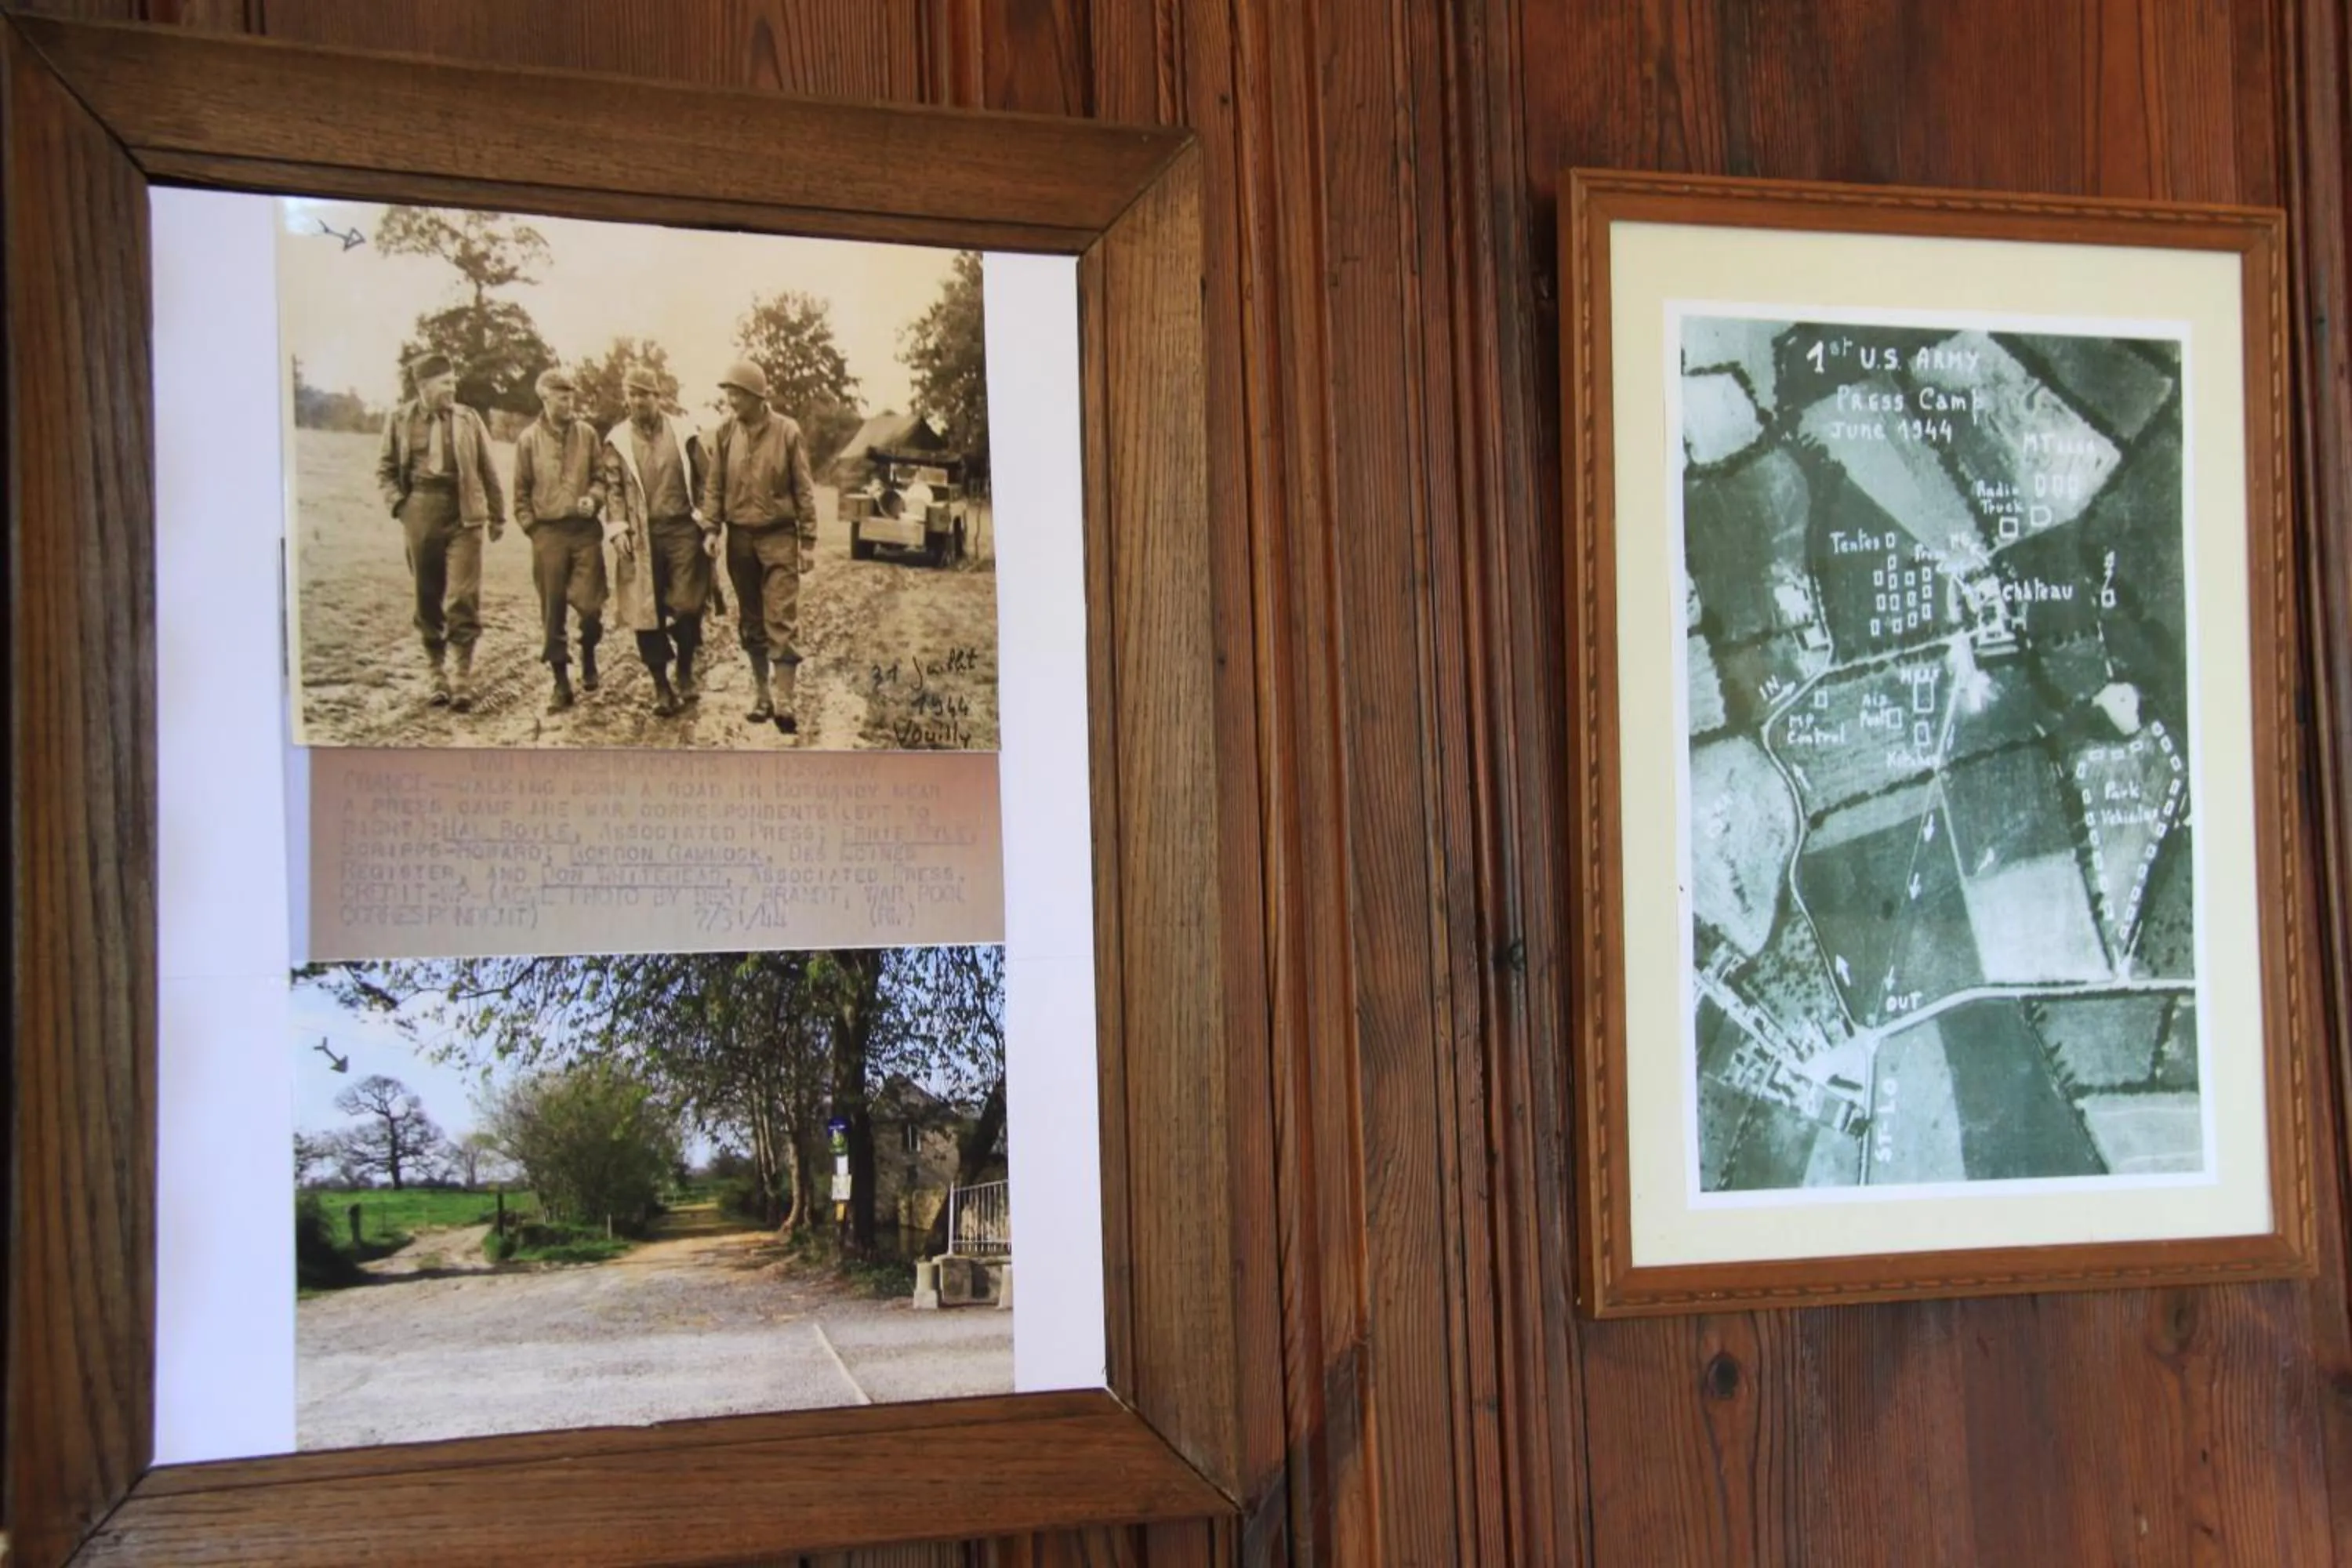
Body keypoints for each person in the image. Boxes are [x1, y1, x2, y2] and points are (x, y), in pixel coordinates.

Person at [375, 352, 507, 711]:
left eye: (453, 381)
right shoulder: (400, 420)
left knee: (463, 595)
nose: (453, 388)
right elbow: (385, 470)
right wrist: (400, 505)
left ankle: (462, 674)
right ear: (423, 386)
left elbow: (488, 468)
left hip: (464, 512)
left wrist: (497, 515)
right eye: (445, 383)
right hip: (420, 510)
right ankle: (436, 671)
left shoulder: (468, 419)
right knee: (427, 594)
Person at [703, 358, 818, 731]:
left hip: (780, 537)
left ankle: (785, 702)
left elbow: (803, 487)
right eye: (728, 394)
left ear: (756, 395)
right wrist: (711, 529)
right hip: (740, 539)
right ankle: (762, 695)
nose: (731, 401)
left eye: (736, 394)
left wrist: (808, 541)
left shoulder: (787, 432)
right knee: (751, 620)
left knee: (781, 616)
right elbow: (714, 486)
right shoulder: (724, 433)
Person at [602, 368, 713, 717]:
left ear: (658, 396)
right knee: (645, 612)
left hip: (682, 530)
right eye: (632, 395)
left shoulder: (683, 432)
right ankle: (661, 685)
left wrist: (708, 524)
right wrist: (618, 528)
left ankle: (684, 669)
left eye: (644, 394)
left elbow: (706, 479)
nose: (638, 401)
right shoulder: (617, 440)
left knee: (687, 606)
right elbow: (614, 487)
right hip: (641, 535)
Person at [513, 366, 610, 713]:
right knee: (552, 612)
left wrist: (594, 499)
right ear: (545, 397)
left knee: (591, 605)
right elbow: (521, 495)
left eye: (571, 396)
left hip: (584, 534)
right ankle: (560, 682)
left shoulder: (587, 435)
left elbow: (601, 478)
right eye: (561, 396)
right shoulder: (527, 440)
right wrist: (533, 530)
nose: (568, 402)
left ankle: (588, 655)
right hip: (549, 534)